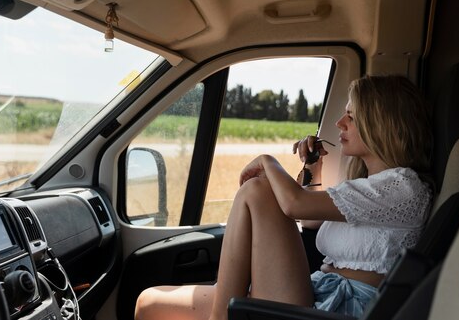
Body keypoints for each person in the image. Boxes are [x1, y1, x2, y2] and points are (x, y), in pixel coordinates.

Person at [135, 75, 434, 320]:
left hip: (340, 310)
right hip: (317, 291)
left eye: (352, 117)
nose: (339, 123)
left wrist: (268, 161)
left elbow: (293, 206)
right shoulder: (368, 186)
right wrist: (312, 170)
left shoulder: (403, 187)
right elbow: (308, 216)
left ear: (381, 124)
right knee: (149, 303)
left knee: (256, 190)